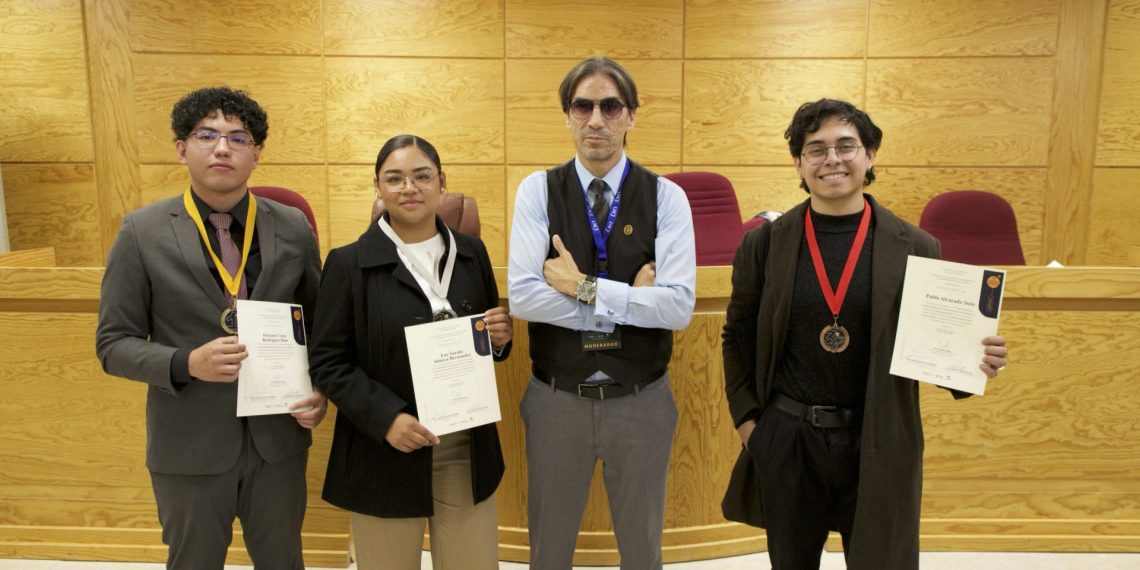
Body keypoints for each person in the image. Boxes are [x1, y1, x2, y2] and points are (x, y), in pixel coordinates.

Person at [720, 98, 1010, 570]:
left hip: (879, 438)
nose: (832, 159)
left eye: (846, 145)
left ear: (870, 154)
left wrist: (976, 360)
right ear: (799, 162)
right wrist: (751, 425)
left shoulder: (916, 246)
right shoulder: (765, 243)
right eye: (815, 149)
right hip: (790, 438)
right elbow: (736, 337)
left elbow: (937, 350)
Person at [95, 86, 327, 569]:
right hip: (189, 443)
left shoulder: (293, 227)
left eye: (238, 138)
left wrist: (320, 390)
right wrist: (185, 362)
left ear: (256, 154)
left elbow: (321, 328)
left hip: (278, 439)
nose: (223, 148)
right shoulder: (141, 231)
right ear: (182, 148)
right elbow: (113, 344)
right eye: (207, 135)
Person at [507, 56, 697, 569]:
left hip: (641, 400)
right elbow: (524, 298)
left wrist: (581, 287)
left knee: (642, 551)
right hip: (556, 400)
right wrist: (627, 302)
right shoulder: (536, 191)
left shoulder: (668, 197)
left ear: (631, 116)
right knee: (549, 551)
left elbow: (678, 306)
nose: (596, 119)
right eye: (582, 106)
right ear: (567, 115)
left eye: (610, 106)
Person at [309, 134, 513, 570]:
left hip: (463, 446)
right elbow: (327, 363)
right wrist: (388, 419)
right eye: (395, 178)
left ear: (441, 182)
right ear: (377, 188)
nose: (409, 188)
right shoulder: (347, 264)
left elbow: (488, 341)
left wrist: (500, 339)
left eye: (422, 176)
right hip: (382, 447)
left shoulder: (472, 254)